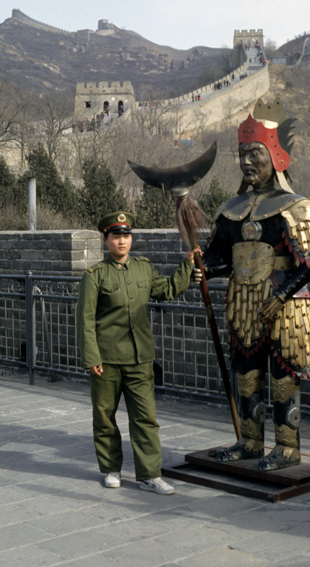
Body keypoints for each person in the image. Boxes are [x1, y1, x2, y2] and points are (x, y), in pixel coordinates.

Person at [195, 98, 310, 470]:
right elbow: (221, 257)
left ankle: (287, 447)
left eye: (254, 152)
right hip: (243, 302)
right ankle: (250, 441)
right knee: (247, 372)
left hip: (285, 307)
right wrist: (203, 269)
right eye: (242, 153)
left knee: (282, 375)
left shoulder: (298, 206)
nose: (246, 161)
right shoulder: (231, 209)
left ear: (275, 155)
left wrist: (283, 293)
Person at [76, 211, 197, 493]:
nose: (122, 241)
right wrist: (91, 357)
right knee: (105, 417)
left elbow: (167, 290)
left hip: (140, 359)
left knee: (145, 418)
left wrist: (187, 265)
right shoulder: (95, 275)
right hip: (106, 361)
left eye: (126, 236)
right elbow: (86, 319)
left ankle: (149, 475)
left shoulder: (144, 268)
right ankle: (111, 469)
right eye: (116, 236)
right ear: (106, 240)